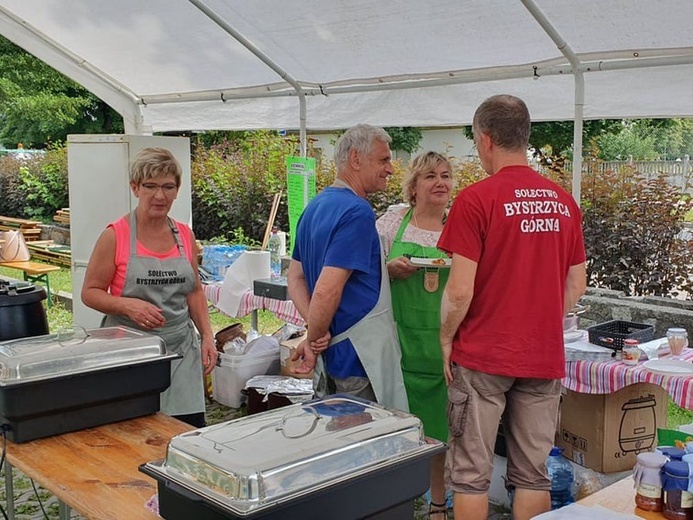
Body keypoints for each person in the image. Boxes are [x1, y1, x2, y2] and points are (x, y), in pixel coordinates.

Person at [438, 95, 586, 520]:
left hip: (483, 354)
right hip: (542, 355)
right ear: (524, 136)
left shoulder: (475, 200)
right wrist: (537, 318)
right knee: (533, 474)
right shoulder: (562, 201)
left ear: (485, 139)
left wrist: (445, 337)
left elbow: (460, 290)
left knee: (470, 474)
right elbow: (576, 281)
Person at [82, 147, 217, 428]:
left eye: (168, 187)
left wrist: (207, 336)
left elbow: (193, 290)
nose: (160, 195)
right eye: (151, 186)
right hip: (129, 352)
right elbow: (90, 292)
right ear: (135, 188)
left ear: (177, 190)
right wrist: (127, 305)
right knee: (132, 433)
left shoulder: (185, 235)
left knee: (184, 431)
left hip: (179, 350)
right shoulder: (115, 236)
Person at [287, 124, 408, 411]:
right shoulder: (357, 212)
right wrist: (315, 337)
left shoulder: (315, 207)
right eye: (383, 160)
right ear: (355, 159)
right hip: (358, 359)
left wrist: (315, 330)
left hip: (335, 355)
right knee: (362, 446)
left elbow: (296, 277)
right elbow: (328, 289)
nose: (390, 169)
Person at [375, 151, 453, 519]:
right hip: (400, 344)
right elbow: (365, 279)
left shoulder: (462, 228)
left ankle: (438, 504)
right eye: (430, 176)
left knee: (440, 432)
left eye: (446, 175)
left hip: (445, 349)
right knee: (397, 429)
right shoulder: (391, 225)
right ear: (414, 186)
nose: (440, 182)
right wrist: (388, 270)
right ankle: (394, 502)